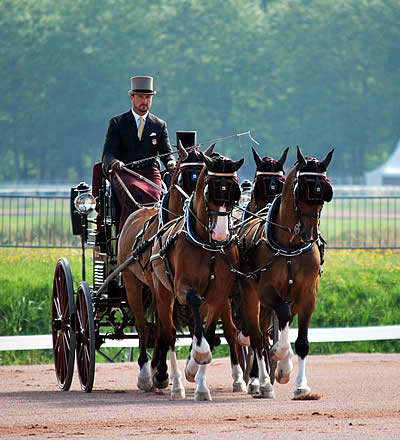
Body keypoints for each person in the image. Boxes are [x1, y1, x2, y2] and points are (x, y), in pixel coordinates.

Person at [102, 76, 176, 230]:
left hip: (149, 172)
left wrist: (171, 162)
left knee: (156, 196)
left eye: (148, 97)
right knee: (132, 191)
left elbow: (166, 153)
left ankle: (153, 232)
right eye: (141, 97)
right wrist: (114, 163)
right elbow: (108, 154)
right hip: (125, 172)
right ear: (132, 97)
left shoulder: (159, 125)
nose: (145, 101)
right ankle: (129, 232)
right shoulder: (117, 123)